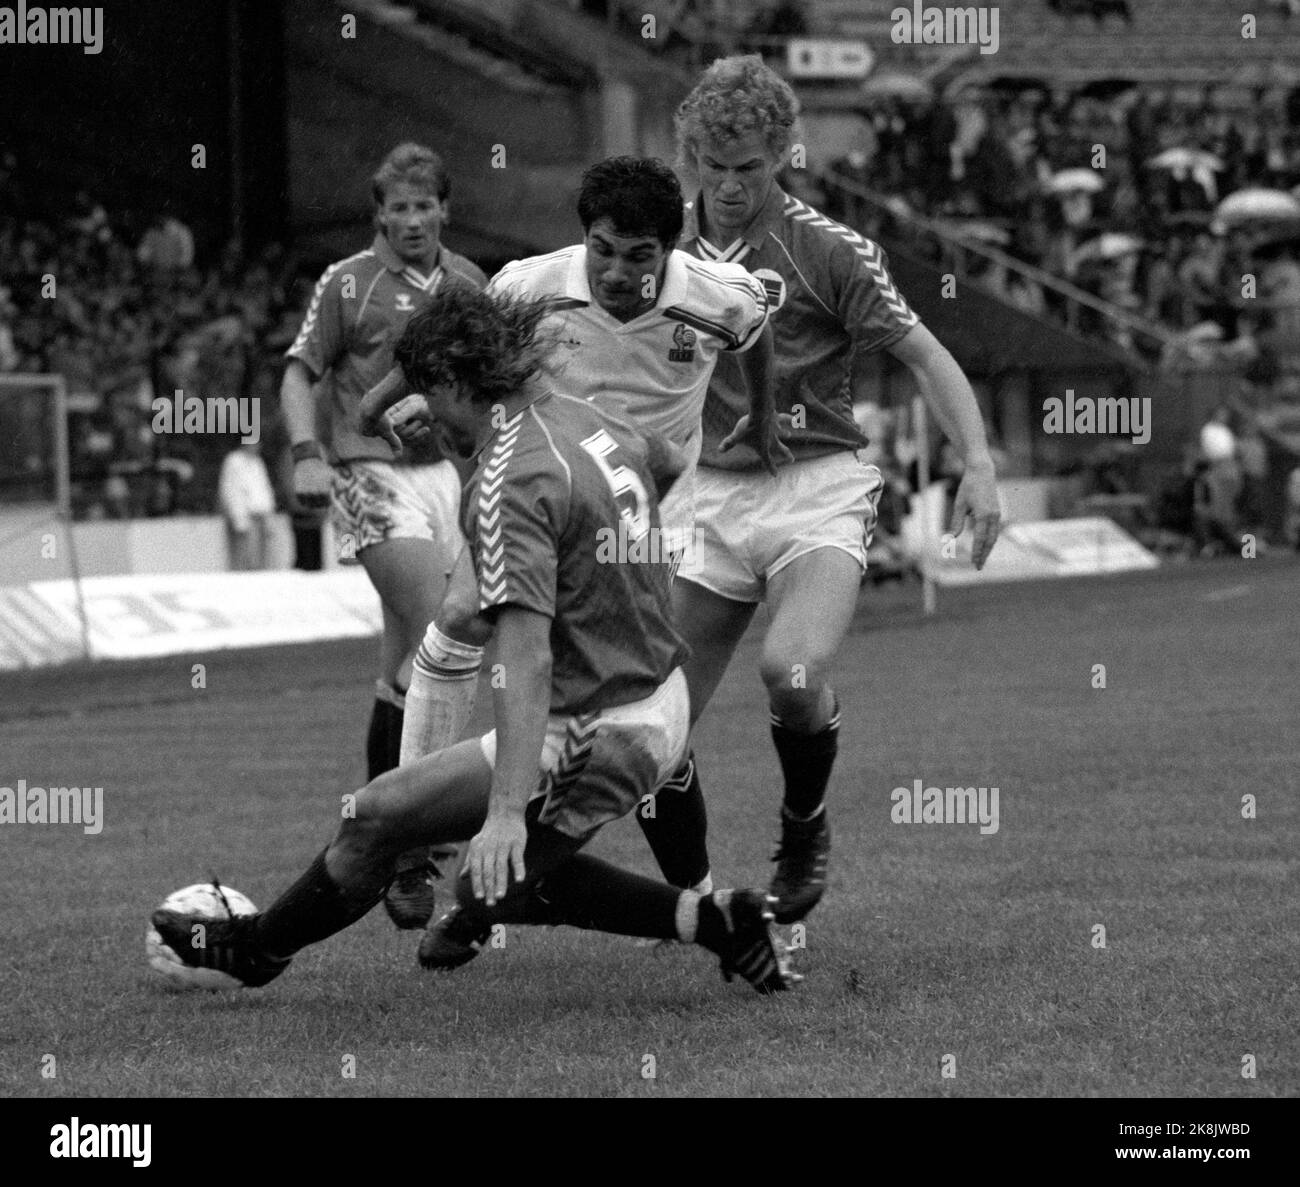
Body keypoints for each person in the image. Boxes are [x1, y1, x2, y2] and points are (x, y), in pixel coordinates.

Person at [150, 287, 797, 997]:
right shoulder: (580, 418)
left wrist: (505, 813)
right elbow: (667, 459)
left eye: (427, 390)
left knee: (492, 885)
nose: (417, 409)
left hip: (604, 725)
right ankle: (256, 951)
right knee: (372, 816)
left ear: (458, 382)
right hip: (638, 696)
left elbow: (526, 658)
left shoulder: (510, 481)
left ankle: (714, 921)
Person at [359, 156, 780, 925]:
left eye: (639, 255)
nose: (616, 271)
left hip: (641, 519)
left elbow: (756, 338)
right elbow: (444, 336)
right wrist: (386, 402)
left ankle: (694, 895)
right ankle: (413, 844)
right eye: (602, 248)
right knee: (455, 622)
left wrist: (759, 416)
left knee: (642, 717)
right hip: (537, 491)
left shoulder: (716, 297)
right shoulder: (530, 282)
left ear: (673, 246)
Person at [636, 55, 1002, 923]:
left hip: (815, 489)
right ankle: (698, 909)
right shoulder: (659, 254)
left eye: (750, 169)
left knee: (790, 671)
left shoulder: (828, 249)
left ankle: (803, 829)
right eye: (714, 169)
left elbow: (927, 355)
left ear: (785, 155)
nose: (730, 187)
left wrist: (980, 466)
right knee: (650, 731)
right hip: (705, 503)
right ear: (689, 159)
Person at [279, 143, 486, 929]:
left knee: (402, 661)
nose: (409, 220)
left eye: (422, 205)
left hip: (448, 480)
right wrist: (305, 454)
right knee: (446, 634)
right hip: (367, 471)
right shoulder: (348, 283)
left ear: (443, 210)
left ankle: (373, 843)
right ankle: (413, 857)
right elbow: (300, 371)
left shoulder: (468, 284)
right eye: (395, 208)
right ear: (379, 215)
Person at [217, 442, 275, 570]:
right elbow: (231, 491)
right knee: (242, 560)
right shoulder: (234, 461)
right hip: (243, 517)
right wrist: (239, 519)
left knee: (260, 561)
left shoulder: (257, 462)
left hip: (260, 516)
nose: (258, 447)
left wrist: (269, 515)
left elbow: (264, 489)